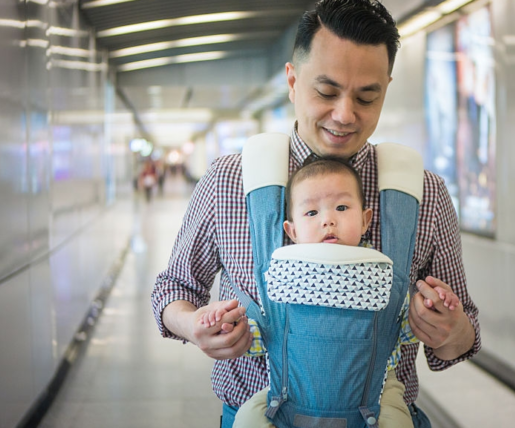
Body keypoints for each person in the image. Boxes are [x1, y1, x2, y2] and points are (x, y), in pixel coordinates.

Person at [151, 1, 481, 427]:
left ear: (387, 87)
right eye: (326, 92)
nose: (345, 115)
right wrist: (193, 323)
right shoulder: (231, 180)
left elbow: (461, 338)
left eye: (367, 96)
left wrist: (450, 331)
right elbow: (173, 289)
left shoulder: (422, 194)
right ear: (292, 80)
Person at [199, 158, 460, 427]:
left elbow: (404, 327)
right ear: (292, 231)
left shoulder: (381, 271)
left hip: (378, 392)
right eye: (311, 213)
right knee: (246, 420)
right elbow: (267, 333)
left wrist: (431, 309)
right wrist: (232, 328)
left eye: (342, 207)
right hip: (287, 392)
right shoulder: (284, 273)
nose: (328, 220)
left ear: (364, 220)